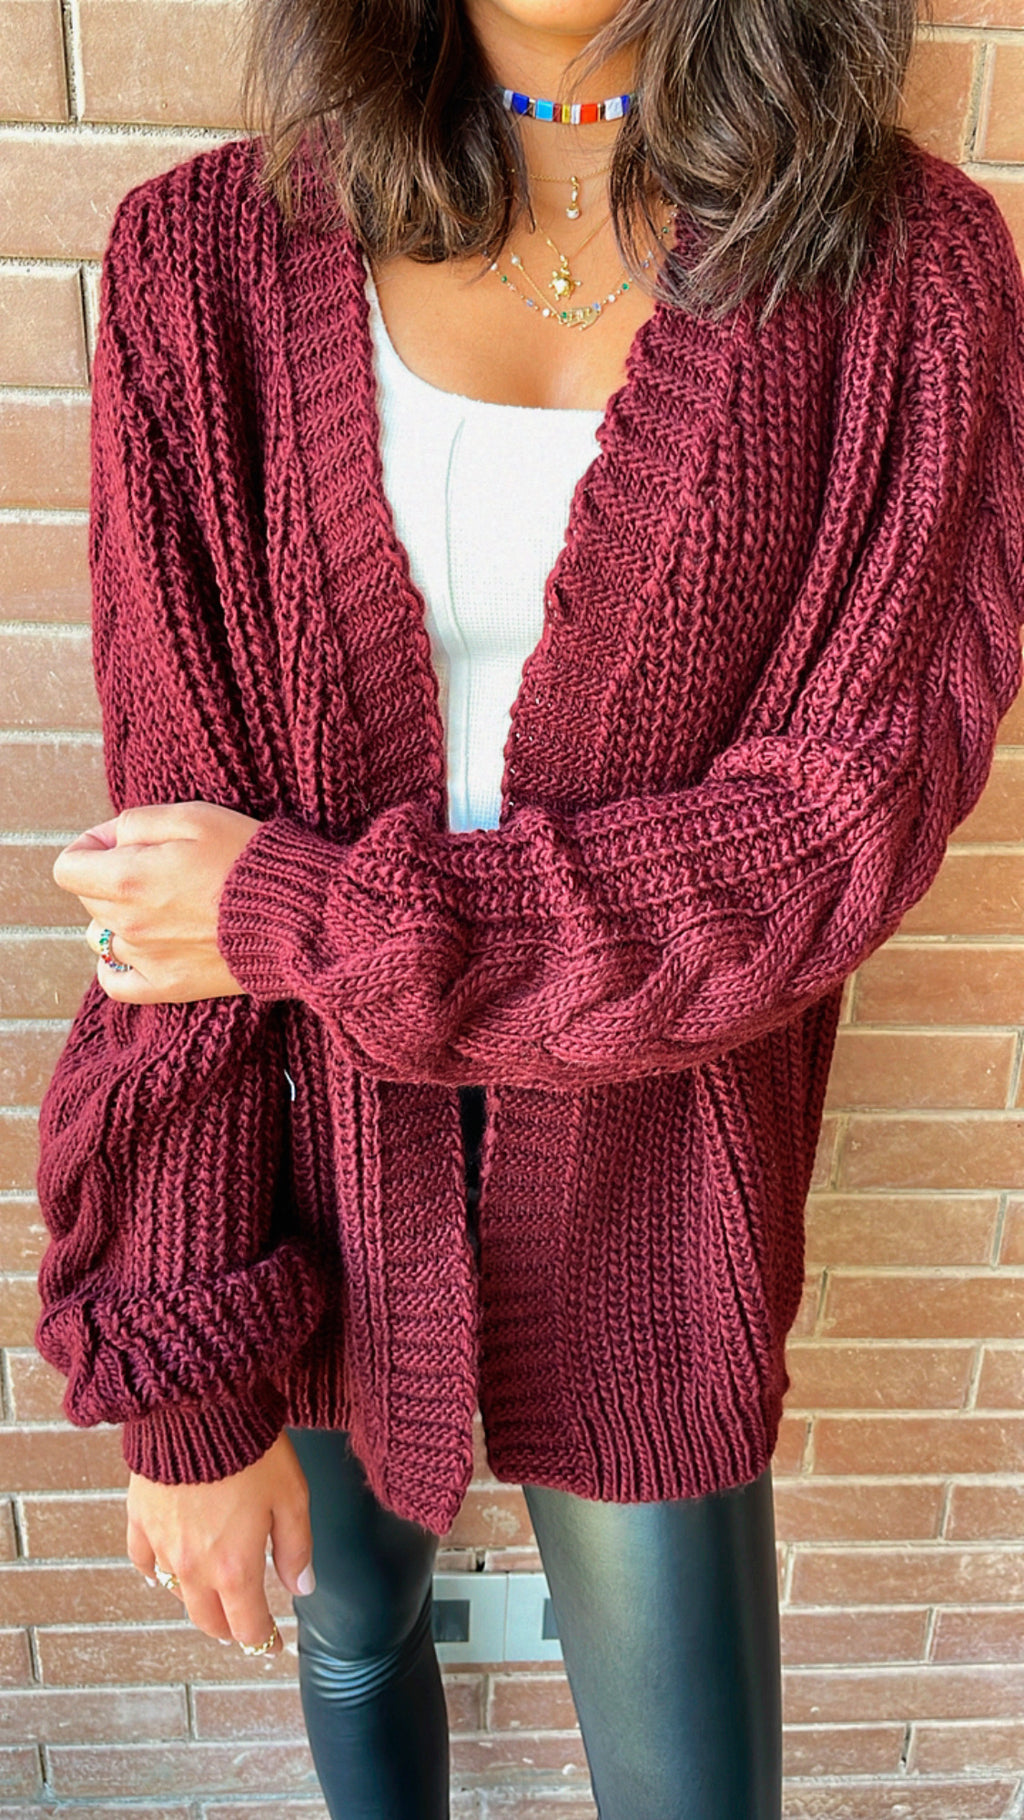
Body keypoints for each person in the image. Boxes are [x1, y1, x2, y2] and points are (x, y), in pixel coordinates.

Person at [33, 0, 1024, 1814]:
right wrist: (184, 1374)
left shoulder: (905, 271)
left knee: (694, 1787)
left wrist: (307, 916)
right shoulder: (205, 263)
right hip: (306, 1167)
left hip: (666, 1180)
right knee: (352, 1631)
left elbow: (830, 836)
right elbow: (164, 875)